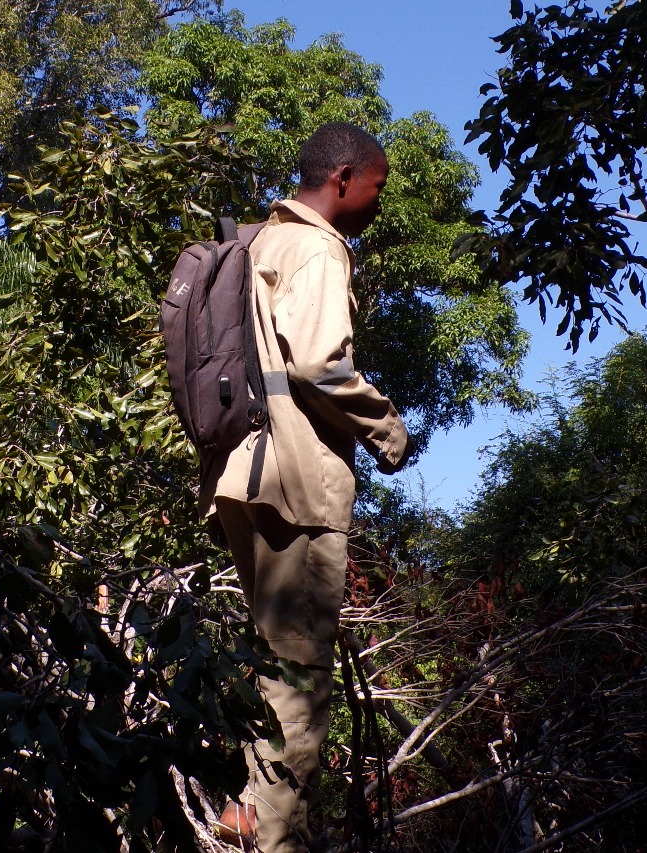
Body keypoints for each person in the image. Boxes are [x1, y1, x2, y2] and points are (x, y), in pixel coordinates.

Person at [201, 122, 410, 851]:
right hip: (294, 482)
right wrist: (388, 432)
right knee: (300, 672)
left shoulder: (258, 242)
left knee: (270, 660)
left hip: (239, 475)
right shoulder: (318, 247)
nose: (378, 204)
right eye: (378, 188)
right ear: (345, 177)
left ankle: (244, 812)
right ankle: (272, 839)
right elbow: (321, 362)